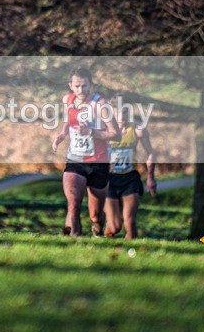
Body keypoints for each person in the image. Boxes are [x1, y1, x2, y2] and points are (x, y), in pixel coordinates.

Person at [52, 67, 120, 236]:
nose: (81, 90)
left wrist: (92, 132)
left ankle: (97, 229)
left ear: (91, 85)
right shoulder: (67, 100)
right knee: (73, 205)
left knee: (95, 215)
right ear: (71, 86)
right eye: (77, 86)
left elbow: (116, 134)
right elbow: (68, 120)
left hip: (98, 162)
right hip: (75, 160)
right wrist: (61, 135)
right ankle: (74, 243)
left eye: (84, 86)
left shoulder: (100, 105)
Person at [104, 102, 156, 239]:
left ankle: (133, 254)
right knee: (115, 226)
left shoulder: (138, 129)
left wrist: (151, 178)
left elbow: (150, 153)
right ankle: (106, 237)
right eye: (118, 112)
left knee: (130, 221)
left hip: (130, 178)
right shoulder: (103, 130)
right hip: (109, 180)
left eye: (125, 112)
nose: (122, 116)